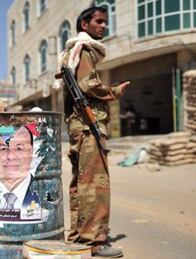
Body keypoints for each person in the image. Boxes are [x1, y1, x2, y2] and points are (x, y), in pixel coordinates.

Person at [59, 7, 130, 257]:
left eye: (104, 22)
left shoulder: (73, 52)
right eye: (99, 22)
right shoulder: (84, 50)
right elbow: (89, 85)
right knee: (96, 185)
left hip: (79, 127)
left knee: (81, 182)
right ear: (84, 25)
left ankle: (79, 235)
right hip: (89, 126)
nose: (103, 26)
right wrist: (115, 91)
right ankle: (95, 241)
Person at [0, 125, 38, 210]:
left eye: (19, 148)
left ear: (31, 151)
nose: (11, 156)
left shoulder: (44, 193)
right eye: (3, 148)